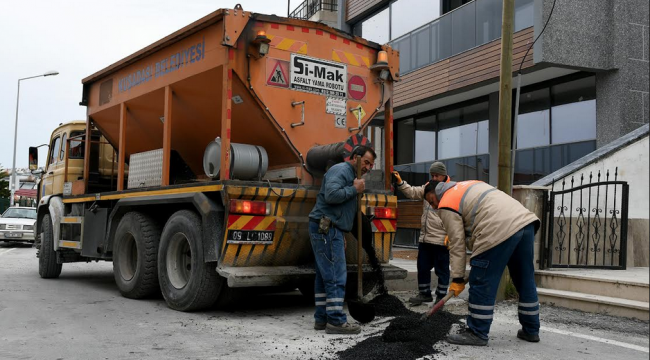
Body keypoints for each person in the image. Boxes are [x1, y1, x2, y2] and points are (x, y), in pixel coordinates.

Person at [422, 180, 541, 346]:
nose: (434, 207)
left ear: (437, 192)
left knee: (481, 279)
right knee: (525, 279)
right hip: (525, 223)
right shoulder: (467, 186)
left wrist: (457, 278)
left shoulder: (446, 201)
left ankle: (477, 332)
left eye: (432, 201)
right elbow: (476, 218)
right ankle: (531, 330)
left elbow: (457, 244)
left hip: (497, 227)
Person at [308, 145, 376, 335]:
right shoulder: (341, 170)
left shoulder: (349, 174)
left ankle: (321, 319)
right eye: (366, 162)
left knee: (324, 276)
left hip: (329, 227)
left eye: (371, 165)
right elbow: (331, 196)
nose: (368, 167)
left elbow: (341, 209)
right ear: (355, 157)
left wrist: (341, 233)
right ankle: (336, 321)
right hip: (326, 228)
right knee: (336, 275)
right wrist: (354, 189)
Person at [392, 162, 450, 306]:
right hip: (425, 238)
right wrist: (400, 183)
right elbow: (412, 192)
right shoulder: (427, 187)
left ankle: (441, 297)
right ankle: (424, 294)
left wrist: (451, 235)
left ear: (444, 175)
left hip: (441, 240)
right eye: (432, 175)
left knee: (441, 269)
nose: (434, 178)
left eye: (437, 175)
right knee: (422, 266)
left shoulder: (451, 191)